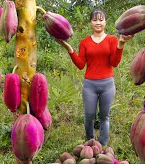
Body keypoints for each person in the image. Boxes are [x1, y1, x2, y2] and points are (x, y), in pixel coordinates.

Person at [56, 9, 133, 146]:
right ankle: (90, 143)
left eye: (101, 19)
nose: (98, 23)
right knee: (89, 115)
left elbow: (114, 63)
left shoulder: (112, 40)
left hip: (107, 84)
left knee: (104, 116)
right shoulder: (85, 42)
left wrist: (121, 44)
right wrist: (68, 48)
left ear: (105, 22)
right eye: (95, 20)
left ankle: (102, 146)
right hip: (89, 85)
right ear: (90, 23)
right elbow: (80, 65)